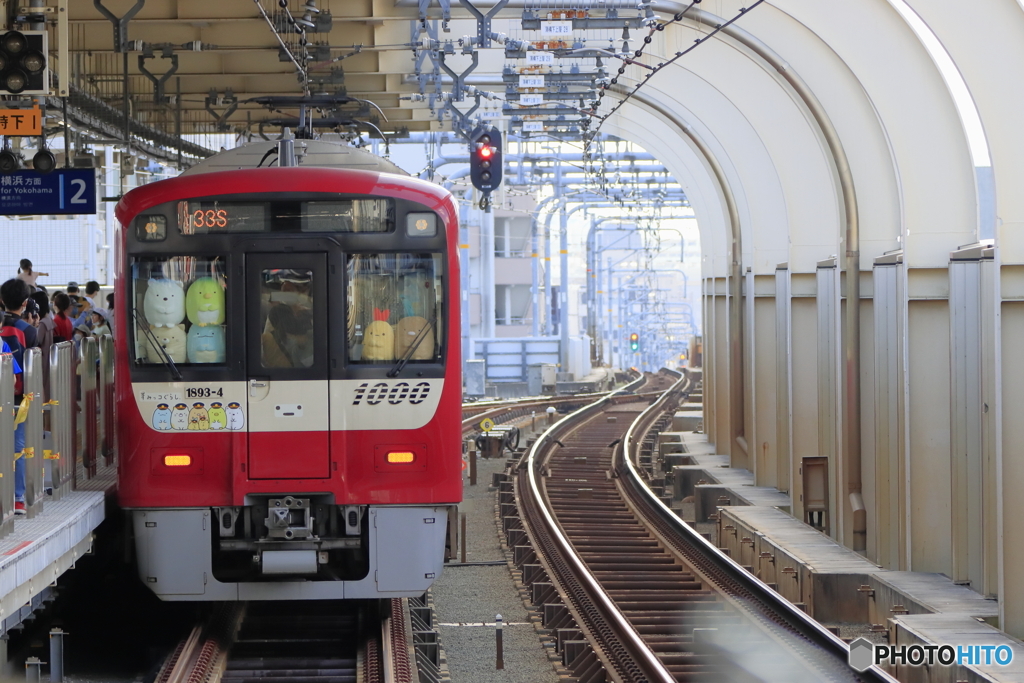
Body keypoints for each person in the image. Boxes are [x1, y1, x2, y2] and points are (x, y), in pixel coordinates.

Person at [30, 292, 53, 392]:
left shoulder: (42, 323)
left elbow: (37, 340)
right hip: (48, 355)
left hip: (41, 357)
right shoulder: (49, 320)